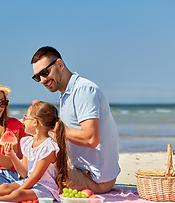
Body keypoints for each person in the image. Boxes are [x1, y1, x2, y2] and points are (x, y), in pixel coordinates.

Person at [30, 46, 120, 194]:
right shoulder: (67, 93)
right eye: (37, 77)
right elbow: (65, 133)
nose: (42, 80)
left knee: (34, 177)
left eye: (45, 72)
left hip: (96, 178)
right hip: (82, 169)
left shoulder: (84, 90)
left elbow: (91, 139)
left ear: (60, 64)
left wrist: (51, 125)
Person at [0, 101, 68, 203]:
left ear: (35, 122)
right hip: (29, 182)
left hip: (45, 188)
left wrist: (19, 188)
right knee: (6, 187)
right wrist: (13, 156)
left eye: (26, 117)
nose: (23, 120)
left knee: (18, 193)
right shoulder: (28, 142)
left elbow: (35, 177)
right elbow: (24, 173)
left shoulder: (48, 147)